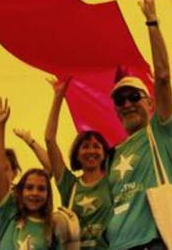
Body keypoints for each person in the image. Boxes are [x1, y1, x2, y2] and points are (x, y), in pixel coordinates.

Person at [105, 0, 172, 250]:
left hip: (153, 244)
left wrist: (152, 23)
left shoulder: (160, 133)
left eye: (134, 96)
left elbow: (163, 77)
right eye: (120, 100)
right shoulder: (113, 155)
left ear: (151, 103)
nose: (127, 104)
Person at [31, 76, 112, 249]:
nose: (91, 151)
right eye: (85, 147)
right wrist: (58, 97)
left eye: (96, 147)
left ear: (105, 153)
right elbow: (49, 139)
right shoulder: (70, 185)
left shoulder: (113, 180)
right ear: (77, 154)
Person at [0, 98, 76, 250]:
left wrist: (30, 141)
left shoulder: (53, 228)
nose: (35, 193)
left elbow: (50, 167)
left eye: (41, 189)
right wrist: (0, 127)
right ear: (20, 191)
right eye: (29, 187)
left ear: (48, 194)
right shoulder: (10, 211)